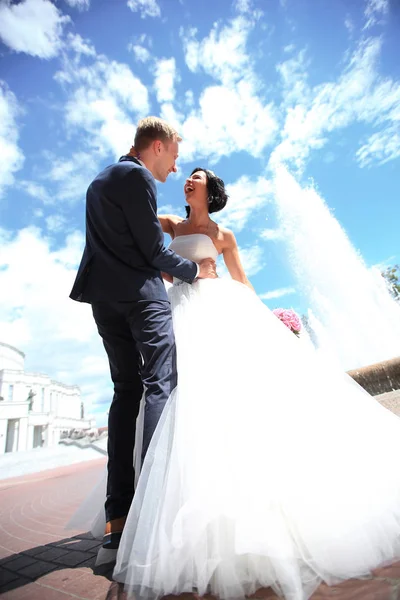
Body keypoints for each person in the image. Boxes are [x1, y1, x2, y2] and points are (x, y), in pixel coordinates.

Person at [109, 165, 400, 600]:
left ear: (211, 190)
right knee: (177, 396)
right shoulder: (170, 224)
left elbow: (241, 280)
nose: (189, 180)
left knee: (228, 396)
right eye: (187, 176)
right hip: (179, 312)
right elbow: (146, 244)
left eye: (198, 177)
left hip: (216, 312)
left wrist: (270, 320)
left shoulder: (224, 235)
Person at [69, 117, 217, 550]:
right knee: (161, 385)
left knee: (125, 392)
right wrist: (195, 272)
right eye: (174, 155)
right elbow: (152, 251)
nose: (174, 168)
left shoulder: (99, 182)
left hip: (104, 300)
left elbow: (120, 240)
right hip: (140, 297)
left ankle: (118, 513)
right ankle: (155, 505)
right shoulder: (137, 178)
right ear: (157, 145)